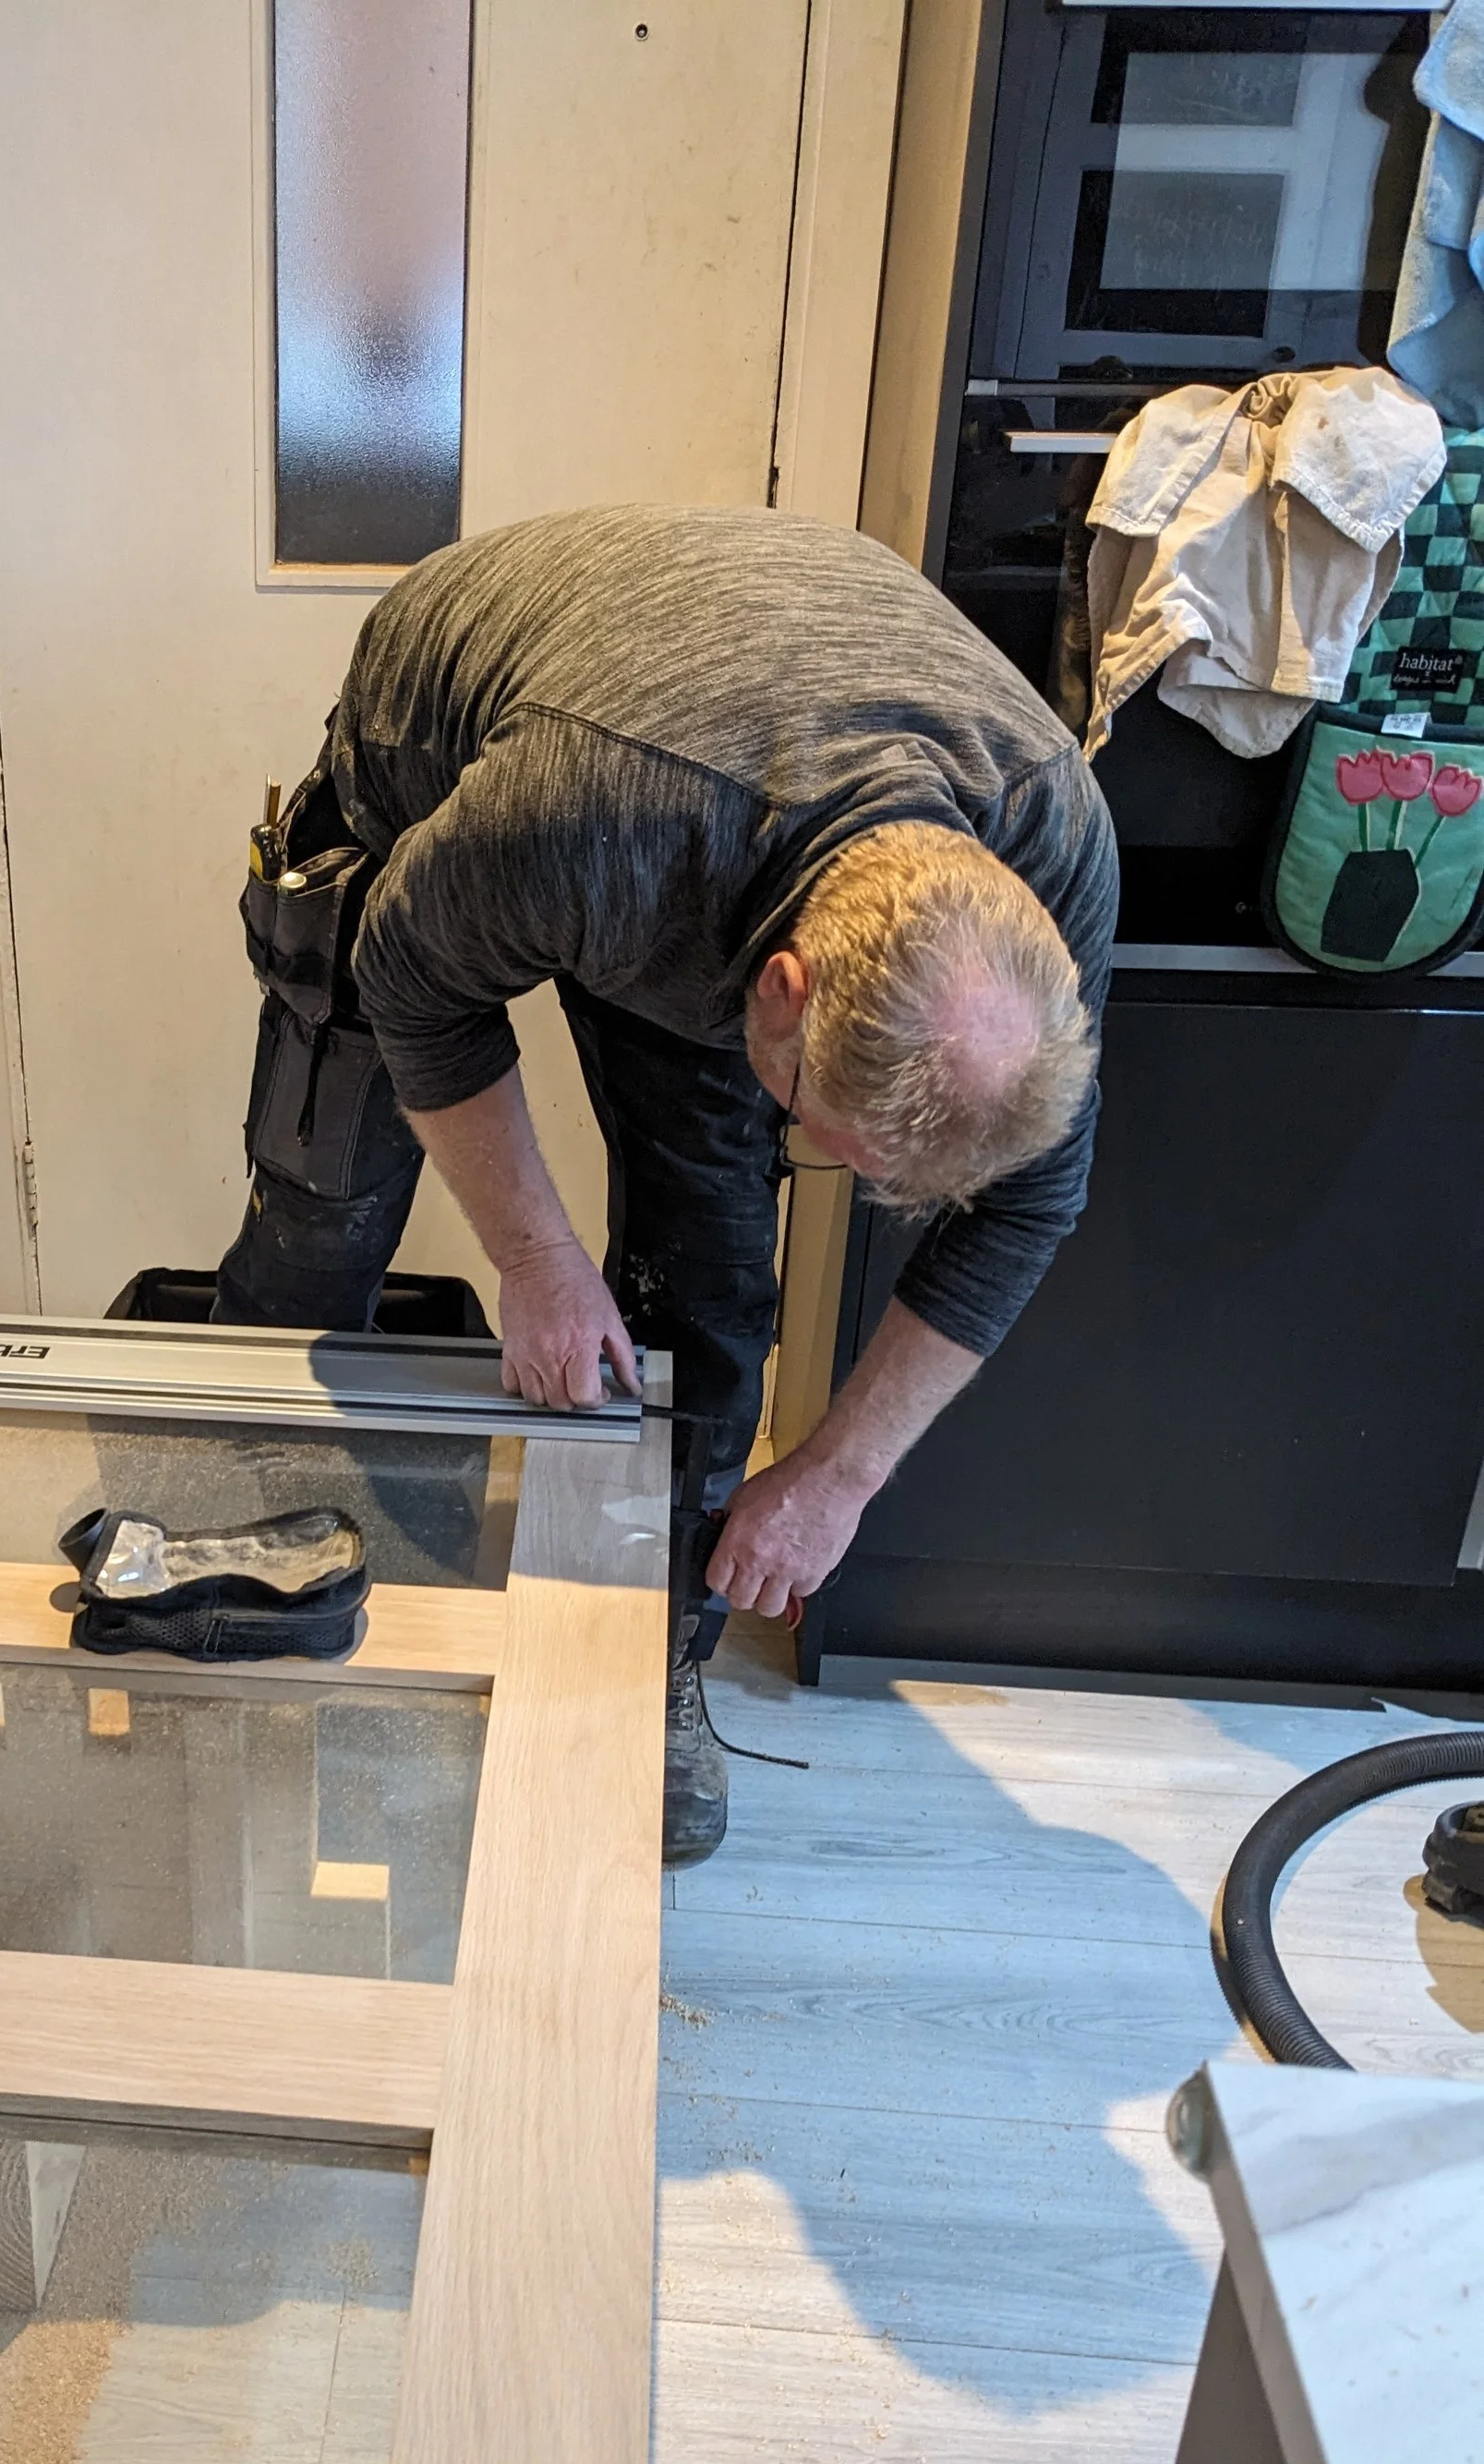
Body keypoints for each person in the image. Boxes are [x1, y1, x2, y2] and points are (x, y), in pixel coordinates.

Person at [215, 503, 1117, 1862]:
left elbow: (1034, 1203)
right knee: (322, 1222)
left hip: (723, 824)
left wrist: (838, 1475)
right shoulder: (585, 817)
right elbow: (410, 975)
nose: (830, 1169)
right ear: (782, 992)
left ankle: (654, 1659)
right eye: (828, 1133)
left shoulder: (1051, 848)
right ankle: (239, 1578)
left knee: (706, 1276)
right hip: (480, 760)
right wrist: (533, 1257)